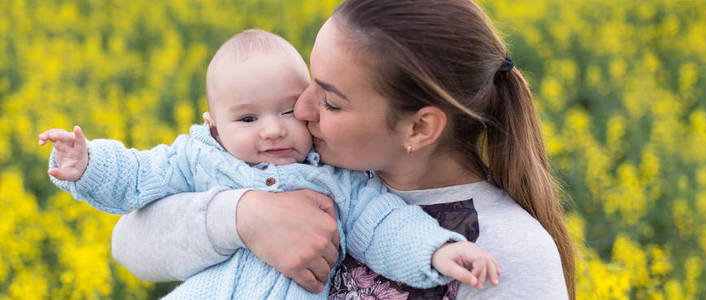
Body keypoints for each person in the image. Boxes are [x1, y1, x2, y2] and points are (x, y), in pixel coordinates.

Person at [113, 0, 576, 298]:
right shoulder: (309, 165)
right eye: (309, 84)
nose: (303, 109)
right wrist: (244, 218)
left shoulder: (506, 254)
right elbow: (129, 245)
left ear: (419, 128)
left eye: (331, 100)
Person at [39, 29, 499, 299]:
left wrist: (435, 251)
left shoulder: (338, 180)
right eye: (247, 117)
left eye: (287, 109)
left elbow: (383, 226)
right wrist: (89, 163)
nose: (274, 130)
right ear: (213, 126)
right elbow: (138, 178)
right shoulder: (198, 157)